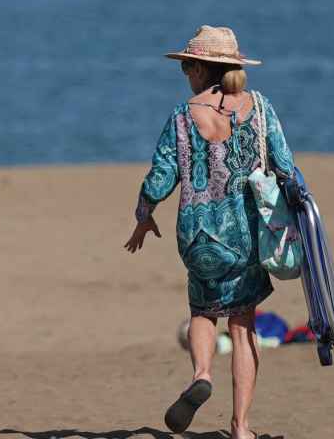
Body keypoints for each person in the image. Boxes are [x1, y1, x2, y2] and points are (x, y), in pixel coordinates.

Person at [124, 25, 295, 439]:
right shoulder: (259, 108)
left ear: (201, 69)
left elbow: (160, 178)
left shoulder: (183, 117)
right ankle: (240, 427)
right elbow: (286, 166)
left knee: (202, 311)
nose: (185, 73)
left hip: (198, 235)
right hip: (246, 234)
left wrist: (143, 215)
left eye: (187, 67)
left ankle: (202, 373)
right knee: (242, 324)